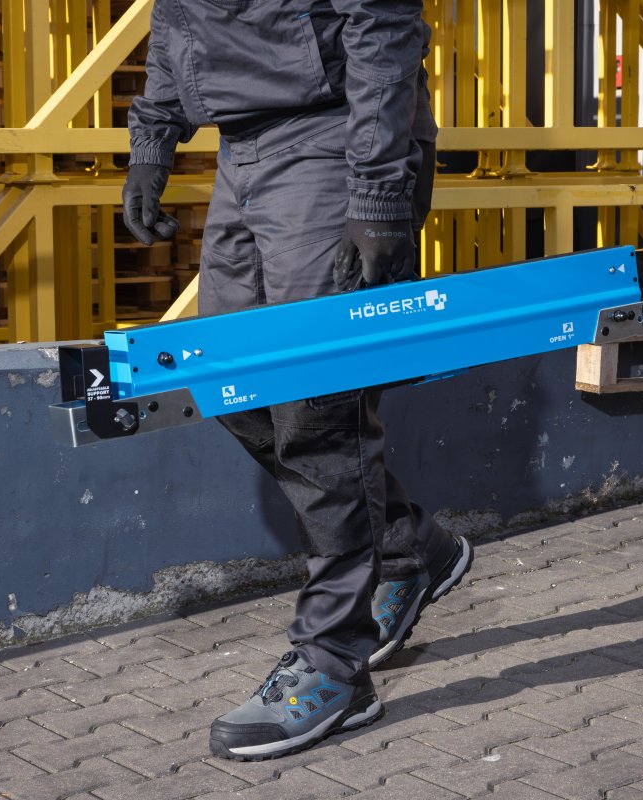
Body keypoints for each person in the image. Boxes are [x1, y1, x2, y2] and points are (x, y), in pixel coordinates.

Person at [122, 0, 473, 761]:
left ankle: (336, 667)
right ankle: (408, 548)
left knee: (317, 409)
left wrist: (377, 188)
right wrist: (153, 140)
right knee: (229, 384)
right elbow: (178, 17)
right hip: (241, 148)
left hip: (334, 137)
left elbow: (381, 21)